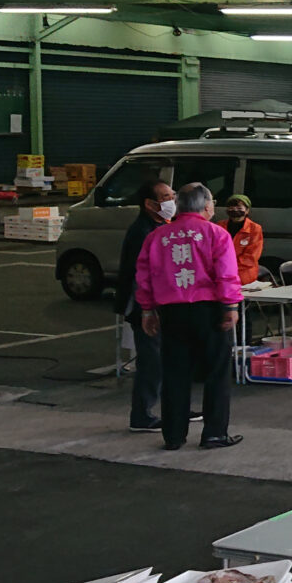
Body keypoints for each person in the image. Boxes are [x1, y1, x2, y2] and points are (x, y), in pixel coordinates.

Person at [135, 182, 243, 451]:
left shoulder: (157, 237)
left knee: (175, 373)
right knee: (217, 373)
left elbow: (144, 277)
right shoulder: (216, 234)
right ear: (206, 206)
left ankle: (173, 435)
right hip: (210, 311)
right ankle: (214, 434)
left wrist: (147, 310)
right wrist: (231, 306)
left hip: (171, 312)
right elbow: (226, 274)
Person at [119, 180, 175, 433]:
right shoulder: (143, 231)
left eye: (172, 195)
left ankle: (173, 407)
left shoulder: (161, 226)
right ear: (150, 204)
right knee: (151, 361)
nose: (171, 200)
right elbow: (142, 276)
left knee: (167, 359)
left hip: (161, 305)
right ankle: (142, 415)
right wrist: (148, 310)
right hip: (145, 307)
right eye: (166, 196)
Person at [222, 194, 265, 285]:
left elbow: (251, 257)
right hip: (221, 273)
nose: (234, 210)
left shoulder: (255, 228)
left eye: (239, 207)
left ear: (247, 210)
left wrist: (229, 266)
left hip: (244, 276)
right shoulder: (219, 226)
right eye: (231, 207)